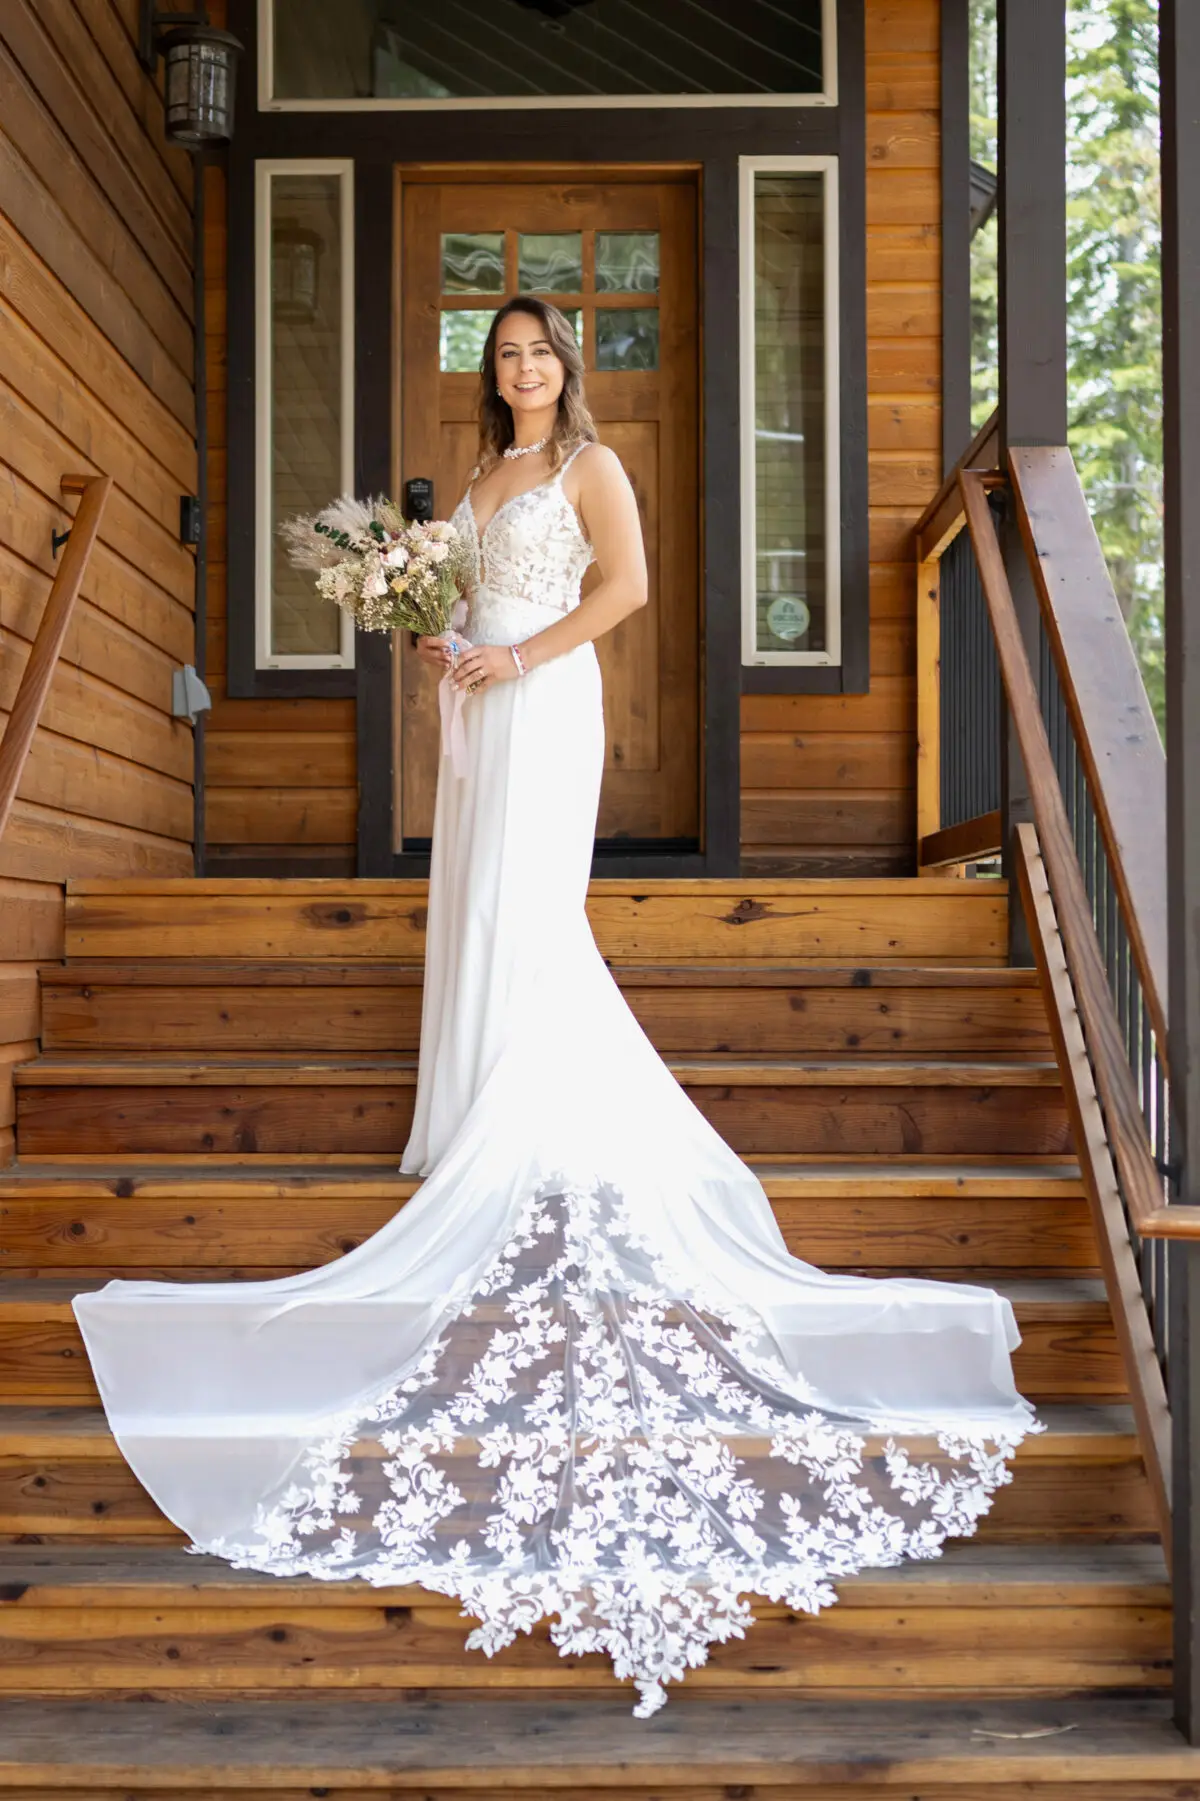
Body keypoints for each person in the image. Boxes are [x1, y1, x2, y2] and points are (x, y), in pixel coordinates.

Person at [74, 296, 1037, 1719]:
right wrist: (437, 635)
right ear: (492, 374)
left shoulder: (593, 465)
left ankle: (527, 1120)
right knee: (473, 905)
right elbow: (469, 594)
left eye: (540, 353)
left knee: (531, 908)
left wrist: (515, 656)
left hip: (549, 698)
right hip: (477, 700)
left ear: (568, 369)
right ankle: (468, 1110)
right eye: (508, 355)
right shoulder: (476, 478)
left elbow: (629, 593)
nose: (524, 370)